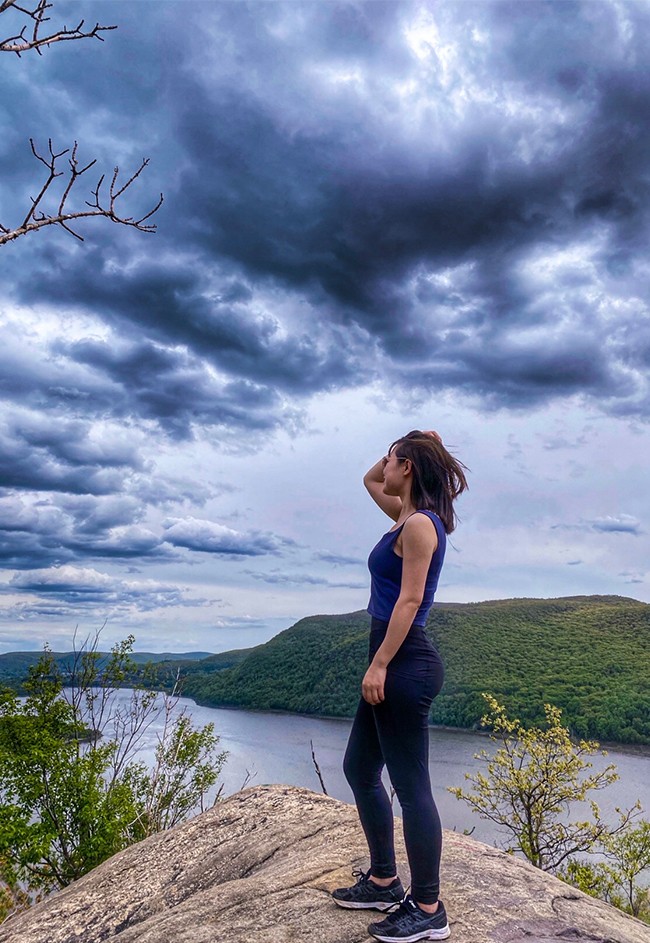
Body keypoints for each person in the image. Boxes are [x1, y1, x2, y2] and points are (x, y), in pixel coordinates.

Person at [332, 430, 468, 942]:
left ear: (407, 468)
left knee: (412, 789)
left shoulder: (418, 527)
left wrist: (379, 665)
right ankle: (385, 878)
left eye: (392, 459)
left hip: (404, 664)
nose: (383, 466)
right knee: (360, 767)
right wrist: (414, 442)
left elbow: (409, 602)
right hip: (392, 661)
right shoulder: (406, 518)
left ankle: (429, 908)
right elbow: (370, 479)